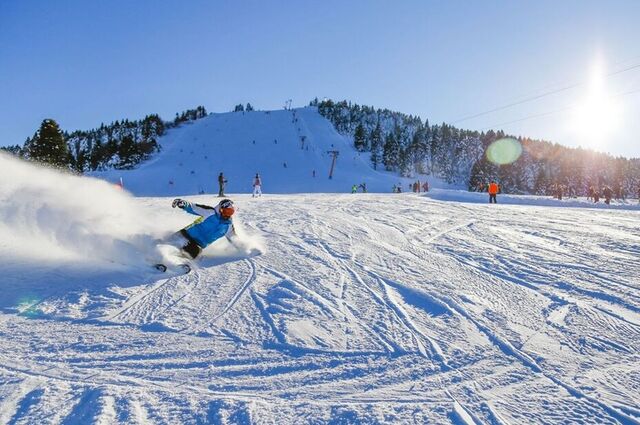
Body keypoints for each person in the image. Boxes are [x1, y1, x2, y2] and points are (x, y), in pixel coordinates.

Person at [167, 198, 236, 259]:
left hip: (197, 246)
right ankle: (159, 250)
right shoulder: (210, 212)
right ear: (220, 210)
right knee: (170, 244)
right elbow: (193, 208)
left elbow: (234, 239)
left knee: (190, 254)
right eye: (226, 212)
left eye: (230, 212)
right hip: (186, 234)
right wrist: (183, 203)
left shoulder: (228, 226)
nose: (227, 215)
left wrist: (244, 248)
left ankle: (173, 263)